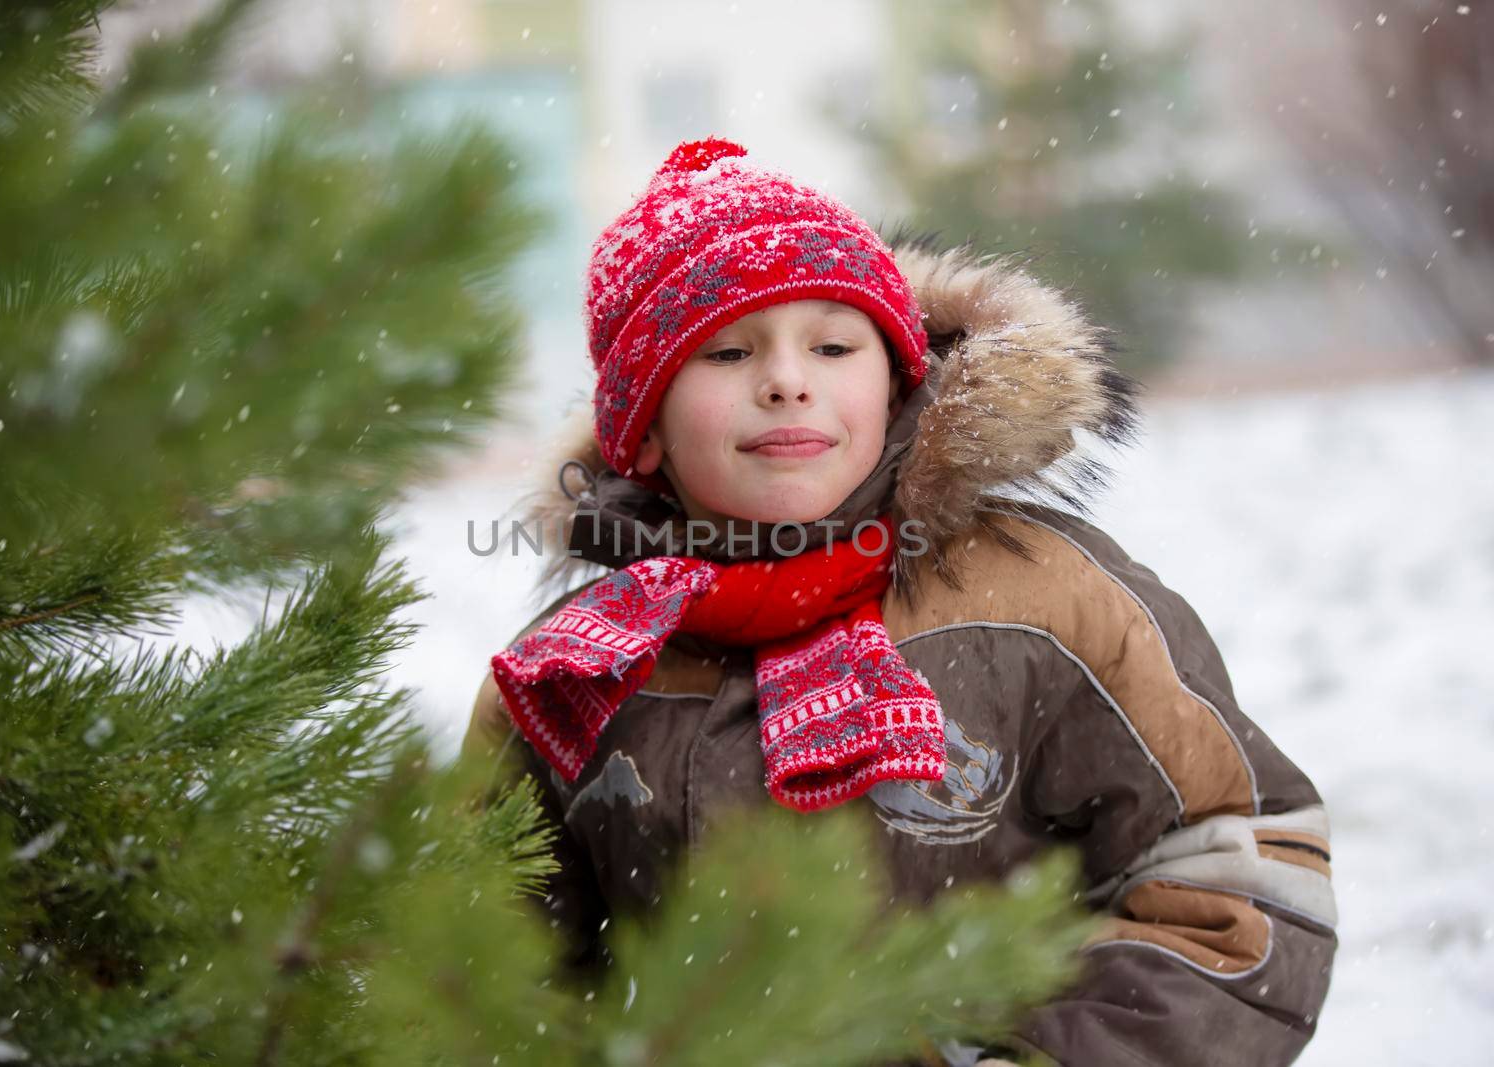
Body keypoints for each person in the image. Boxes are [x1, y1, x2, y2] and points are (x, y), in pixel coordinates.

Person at [462, 137, 1336, 1065]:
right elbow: (480, 966)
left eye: (834, 344)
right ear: (640, 433)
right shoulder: (576, 674)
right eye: (725, 350)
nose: (787, 379)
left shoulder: (1041, 604)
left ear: (896, 379)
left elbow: (1235, 865)